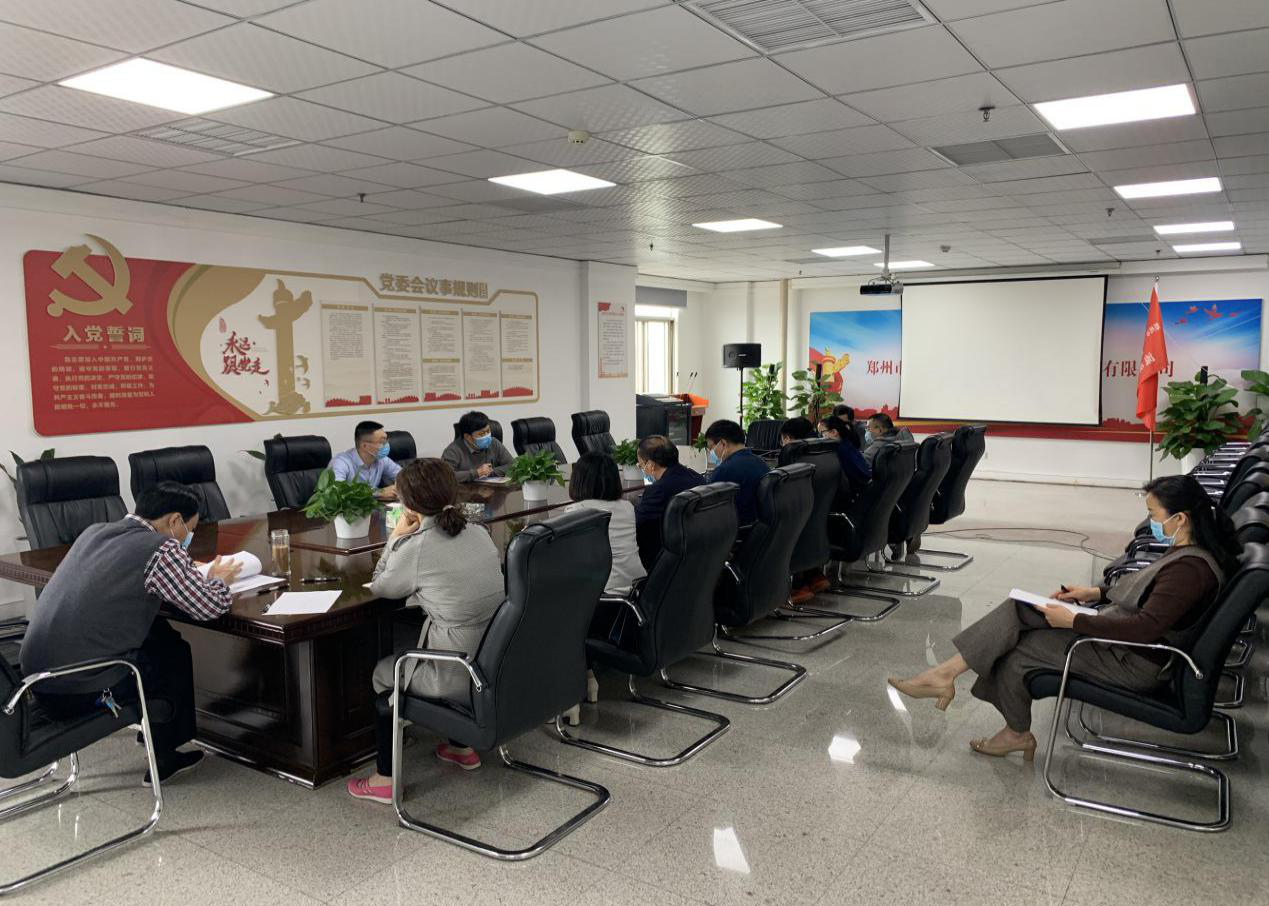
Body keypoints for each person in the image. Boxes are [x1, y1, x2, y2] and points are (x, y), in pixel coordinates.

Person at [887, 475, 1237, 760]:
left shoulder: (1189, 572)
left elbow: (1145, 628)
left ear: (1180, 519)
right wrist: (1095, 593)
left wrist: (1074, 621)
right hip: (1125, 648)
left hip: (1134, 662)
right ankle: (956, 685)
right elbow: (1152, 598)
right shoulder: (1189, 554)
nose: (1151, 523)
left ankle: (977, 702)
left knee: (1020, 646)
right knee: (1019, 615)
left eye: (1154, 515)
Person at [21, 482, 244, 786]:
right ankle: (164, 754)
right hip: (80, 690)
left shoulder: (95, 532)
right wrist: (220, 579)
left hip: (37, 682)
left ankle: (154, 733)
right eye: (190, 530)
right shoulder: (161, 549)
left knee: (158, 634)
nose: (188, 538)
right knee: (170, 653)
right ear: (174, 521)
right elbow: (208, 607)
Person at [347, 459, 505, 805]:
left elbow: (380, 585)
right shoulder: (478, 531)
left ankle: (385, 779)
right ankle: (460, 747)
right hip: (494, 660)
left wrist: (395, 538)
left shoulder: (418, 546)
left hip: (455, 672)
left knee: (383, 673)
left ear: (408, 505)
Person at [565, 452, 647, 718]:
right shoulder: (627, 508)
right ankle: (589, 677)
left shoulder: (576, 513)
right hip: (633, 595)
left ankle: (572, 687)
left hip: (602, 601)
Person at [634, 435, 704, 570]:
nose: (642, 469)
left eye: (641, 465)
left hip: (667, 560)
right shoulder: (696, 477)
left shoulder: (658, 490)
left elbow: (637, 523)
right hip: (696, 552)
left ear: (651, 465)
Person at [703, 419, 770, 528]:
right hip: (757, 530)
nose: (711, 453)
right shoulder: (761, 463)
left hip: (735, 532)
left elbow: (706, 510)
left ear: (723, 443)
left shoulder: (725, 470)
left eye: (711, 448)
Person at [330, 420, 400, 499]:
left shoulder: (382, 460)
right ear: (365, 446)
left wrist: (399, 488)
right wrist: (378, 492)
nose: (386, 445)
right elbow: (337, 491)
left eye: (386, 440)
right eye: (382, 442)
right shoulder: (341, 463)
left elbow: (404, 476)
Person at [442, 411, 514, 482]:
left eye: (488, 431)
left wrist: (489, 472)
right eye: (482, 434)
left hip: (491, 487)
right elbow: (445, 476)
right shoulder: (453, 451)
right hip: (465, 488)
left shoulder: (494, 443)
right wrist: (476, 473)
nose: (487, 436)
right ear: (467, 437)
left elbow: (512, 465)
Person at [819, 414, 872, 497]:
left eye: (821, 433)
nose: (819, 438)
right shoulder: (848, 445)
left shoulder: (838, 452)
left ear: (834, 432)